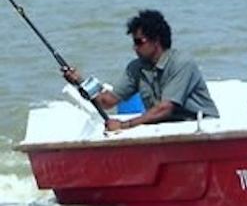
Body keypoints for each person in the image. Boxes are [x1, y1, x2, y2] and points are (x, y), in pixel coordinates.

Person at [63, 9, 219, 131]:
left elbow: (164, 109)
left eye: (139, 42)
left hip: (200, 126)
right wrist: (80, 82)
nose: (134, 47)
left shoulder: (182, 63)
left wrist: (125, 125)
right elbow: (107, 101)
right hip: (165, 129)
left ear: (156, 41)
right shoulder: (136, 68)